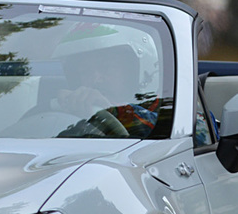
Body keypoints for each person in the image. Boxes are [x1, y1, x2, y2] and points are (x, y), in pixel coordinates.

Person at [36, 23, 164, 137]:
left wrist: (110, 112)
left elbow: (158, 139)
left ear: (135, 71)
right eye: (85, 71)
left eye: (107, 68)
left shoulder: (166, 110)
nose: (96, 79)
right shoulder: (70, 116)